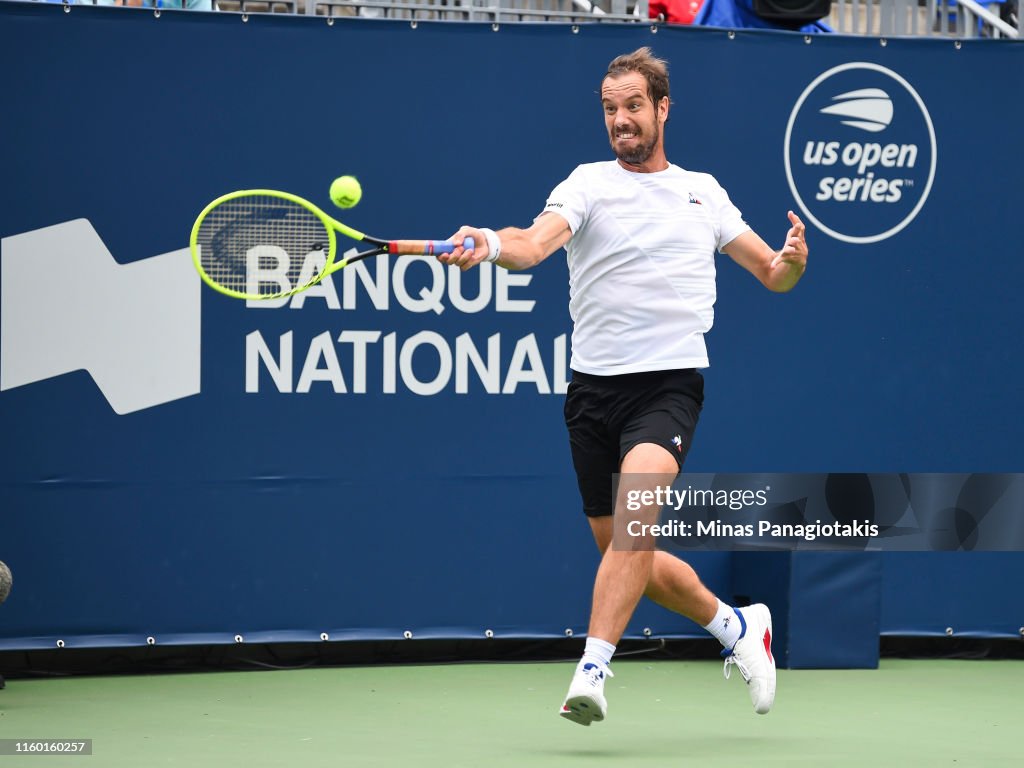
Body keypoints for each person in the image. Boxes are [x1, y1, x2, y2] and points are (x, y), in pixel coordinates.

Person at [439, 47, 807, 726]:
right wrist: (490, 243)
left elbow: (772, 275)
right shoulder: (587, 183)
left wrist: (790, 263)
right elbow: (531, 244)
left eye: (633, 105)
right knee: (623, 552)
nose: (621, 120)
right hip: (592, 395)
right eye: (610, 108)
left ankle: (593, 671)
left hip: (667, 388)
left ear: (663, 108)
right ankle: (736, 626)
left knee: (637, 520)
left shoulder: (705, 192)